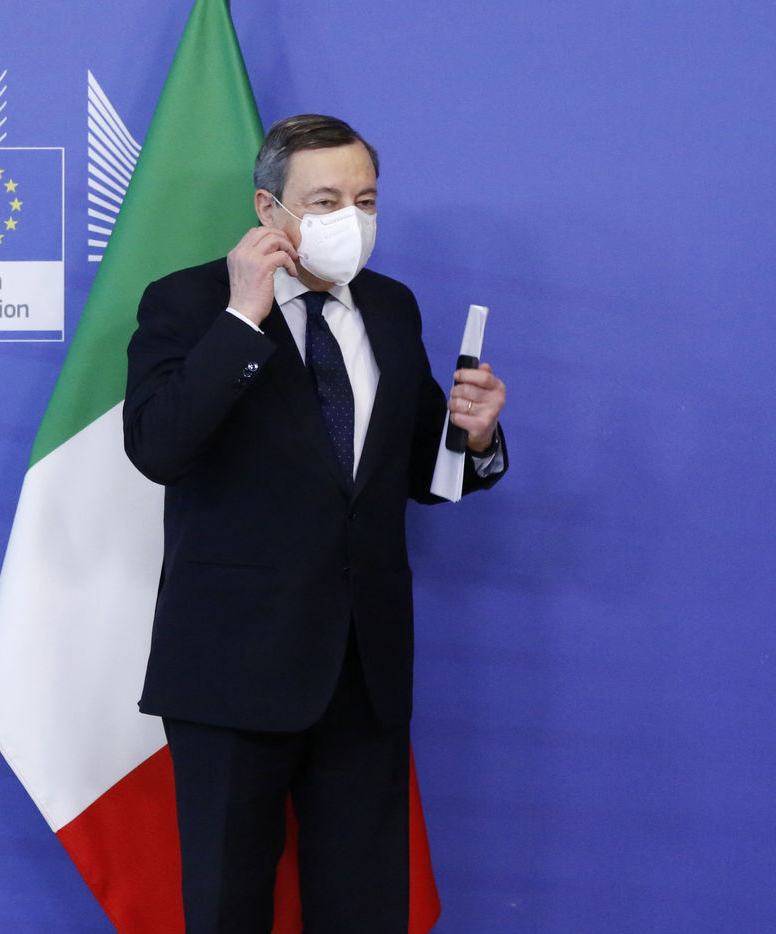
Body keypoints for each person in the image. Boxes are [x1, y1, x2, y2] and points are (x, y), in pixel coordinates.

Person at [123, 113, 507, 932]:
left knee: (365, 906)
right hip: (232, 668)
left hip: (364, 672)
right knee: (227, 906)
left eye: (365, 200)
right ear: (269, 209)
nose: (351, 220)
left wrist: (473, 439)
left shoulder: (392, 307)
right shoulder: (187, 302)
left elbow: (416, 474)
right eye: (326, 201)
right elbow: (158, 448)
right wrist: (242, 316)